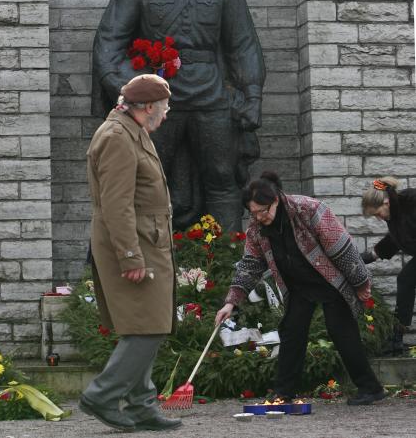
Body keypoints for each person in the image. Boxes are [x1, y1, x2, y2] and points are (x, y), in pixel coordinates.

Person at [91, 0, 265, 232]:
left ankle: (227, 266)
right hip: (157, 99)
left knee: (221, 178)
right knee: (148, 178)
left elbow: (243, 45)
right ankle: (150, 265)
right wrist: (125, 88)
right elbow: (109, 41)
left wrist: (252, 97)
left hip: (211, 95)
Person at [215, 171, 386, 406]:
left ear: (275, 200)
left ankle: (371, 388)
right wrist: (231, 302)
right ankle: (283, 392)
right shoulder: (257, 228)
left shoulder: (309, 209)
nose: (258, 217)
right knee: (291, 332)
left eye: (262, 211)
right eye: (252, 213)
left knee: (341, 331)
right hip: (297, 285)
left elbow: (342, 248)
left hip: (330, 281)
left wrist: (361, 282)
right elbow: (250, 264)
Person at [80, 74, 181, 432]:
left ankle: (141, 405)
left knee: (147, 324)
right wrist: (130, 256)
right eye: (165, 108)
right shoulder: (118, 138)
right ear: (149, 107)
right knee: (146, 328)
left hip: (145, 242)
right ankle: (102, 395)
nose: (167, 115)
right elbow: (116, 205)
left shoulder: (130, 132)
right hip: (134, 245)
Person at [361, 177, 416, 355]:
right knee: (406, 281)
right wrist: (359, 259)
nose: (378, 218)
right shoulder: (395, 217)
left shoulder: (411, 201)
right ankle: (397, 338)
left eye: (377, 213)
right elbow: (392, 242)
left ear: (386, 202)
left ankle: (397, 337)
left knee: (406, 279)